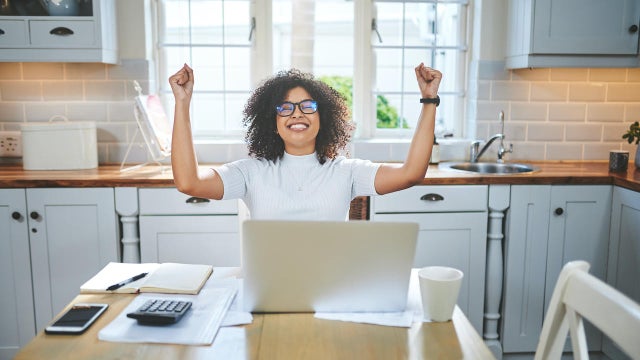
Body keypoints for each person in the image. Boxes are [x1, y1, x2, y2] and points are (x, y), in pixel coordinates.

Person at [169, 63, 442, 220]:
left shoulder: (346, 171)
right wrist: (182, 103)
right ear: (272, 123)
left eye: (307, 106)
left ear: (323, 118)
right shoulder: (250, 172)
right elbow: (188, 182)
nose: (297, 113)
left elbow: (411, 173)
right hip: (270, 289)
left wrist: (429, 101)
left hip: (330, 288)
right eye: (285, 107)